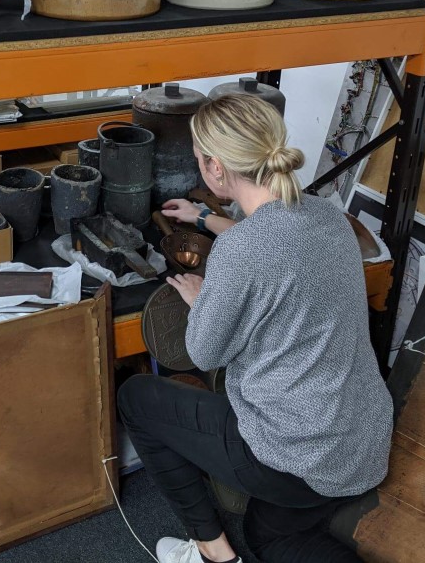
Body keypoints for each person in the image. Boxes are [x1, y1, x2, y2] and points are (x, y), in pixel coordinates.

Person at [117, 94, 393, 563]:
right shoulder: (326, 213)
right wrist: (205, 218)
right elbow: (272, 243)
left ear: (214, 168)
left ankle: (211, 554)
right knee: (268, 536)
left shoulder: (241, 252)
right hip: (362, 439)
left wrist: (201, 298)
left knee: (137, 399)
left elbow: (203, 354)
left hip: (298, 451)